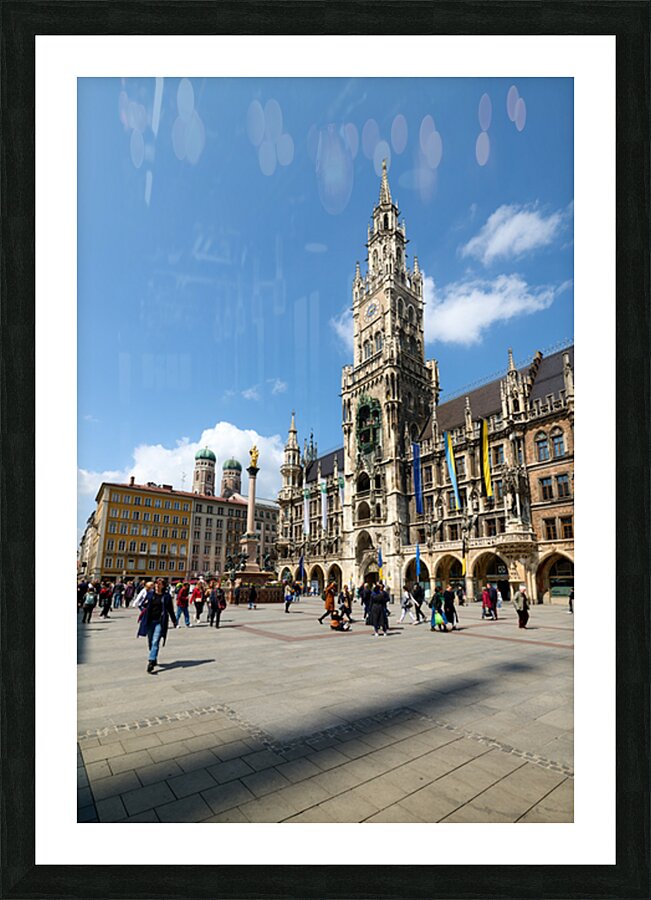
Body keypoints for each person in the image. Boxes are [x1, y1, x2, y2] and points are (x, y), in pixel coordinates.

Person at [137, 577, 178, 673]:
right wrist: (144, 606)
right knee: (151, 641)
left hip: (160, 621)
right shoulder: (150, 594)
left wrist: (174, 620)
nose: (157, 585)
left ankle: (151, 661)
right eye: (156, 583)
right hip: (150, 620)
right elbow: (142, 604)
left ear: (163, 586)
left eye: (159, 584)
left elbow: (170, 609)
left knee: (156, 641)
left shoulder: (166, 596)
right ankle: (154, 656)